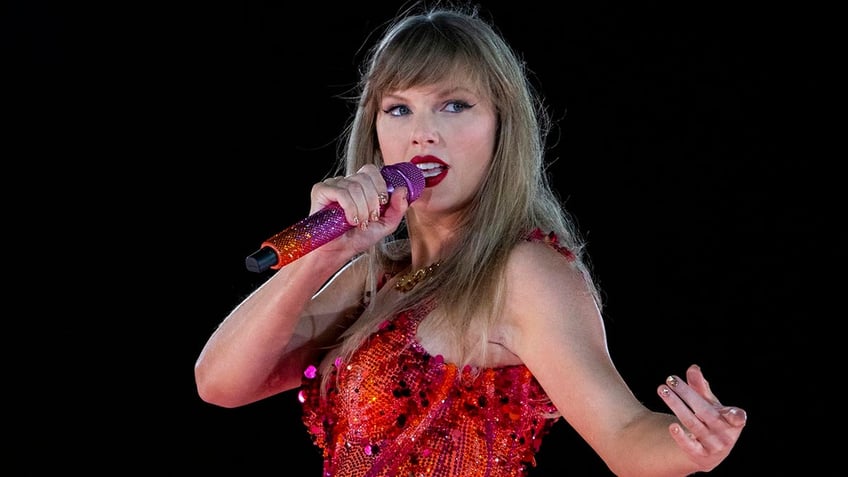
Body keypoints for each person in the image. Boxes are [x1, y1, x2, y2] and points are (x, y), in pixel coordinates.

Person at [194, 3, 747, 476]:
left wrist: (696, 446)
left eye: (455, 105)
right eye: (399, 108)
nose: (423, 132)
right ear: (376, 129)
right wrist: (324, 255)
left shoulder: (524, 271)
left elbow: (625, 434)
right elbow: (219, 383)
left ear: (501, 124)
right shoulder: (378, 274)